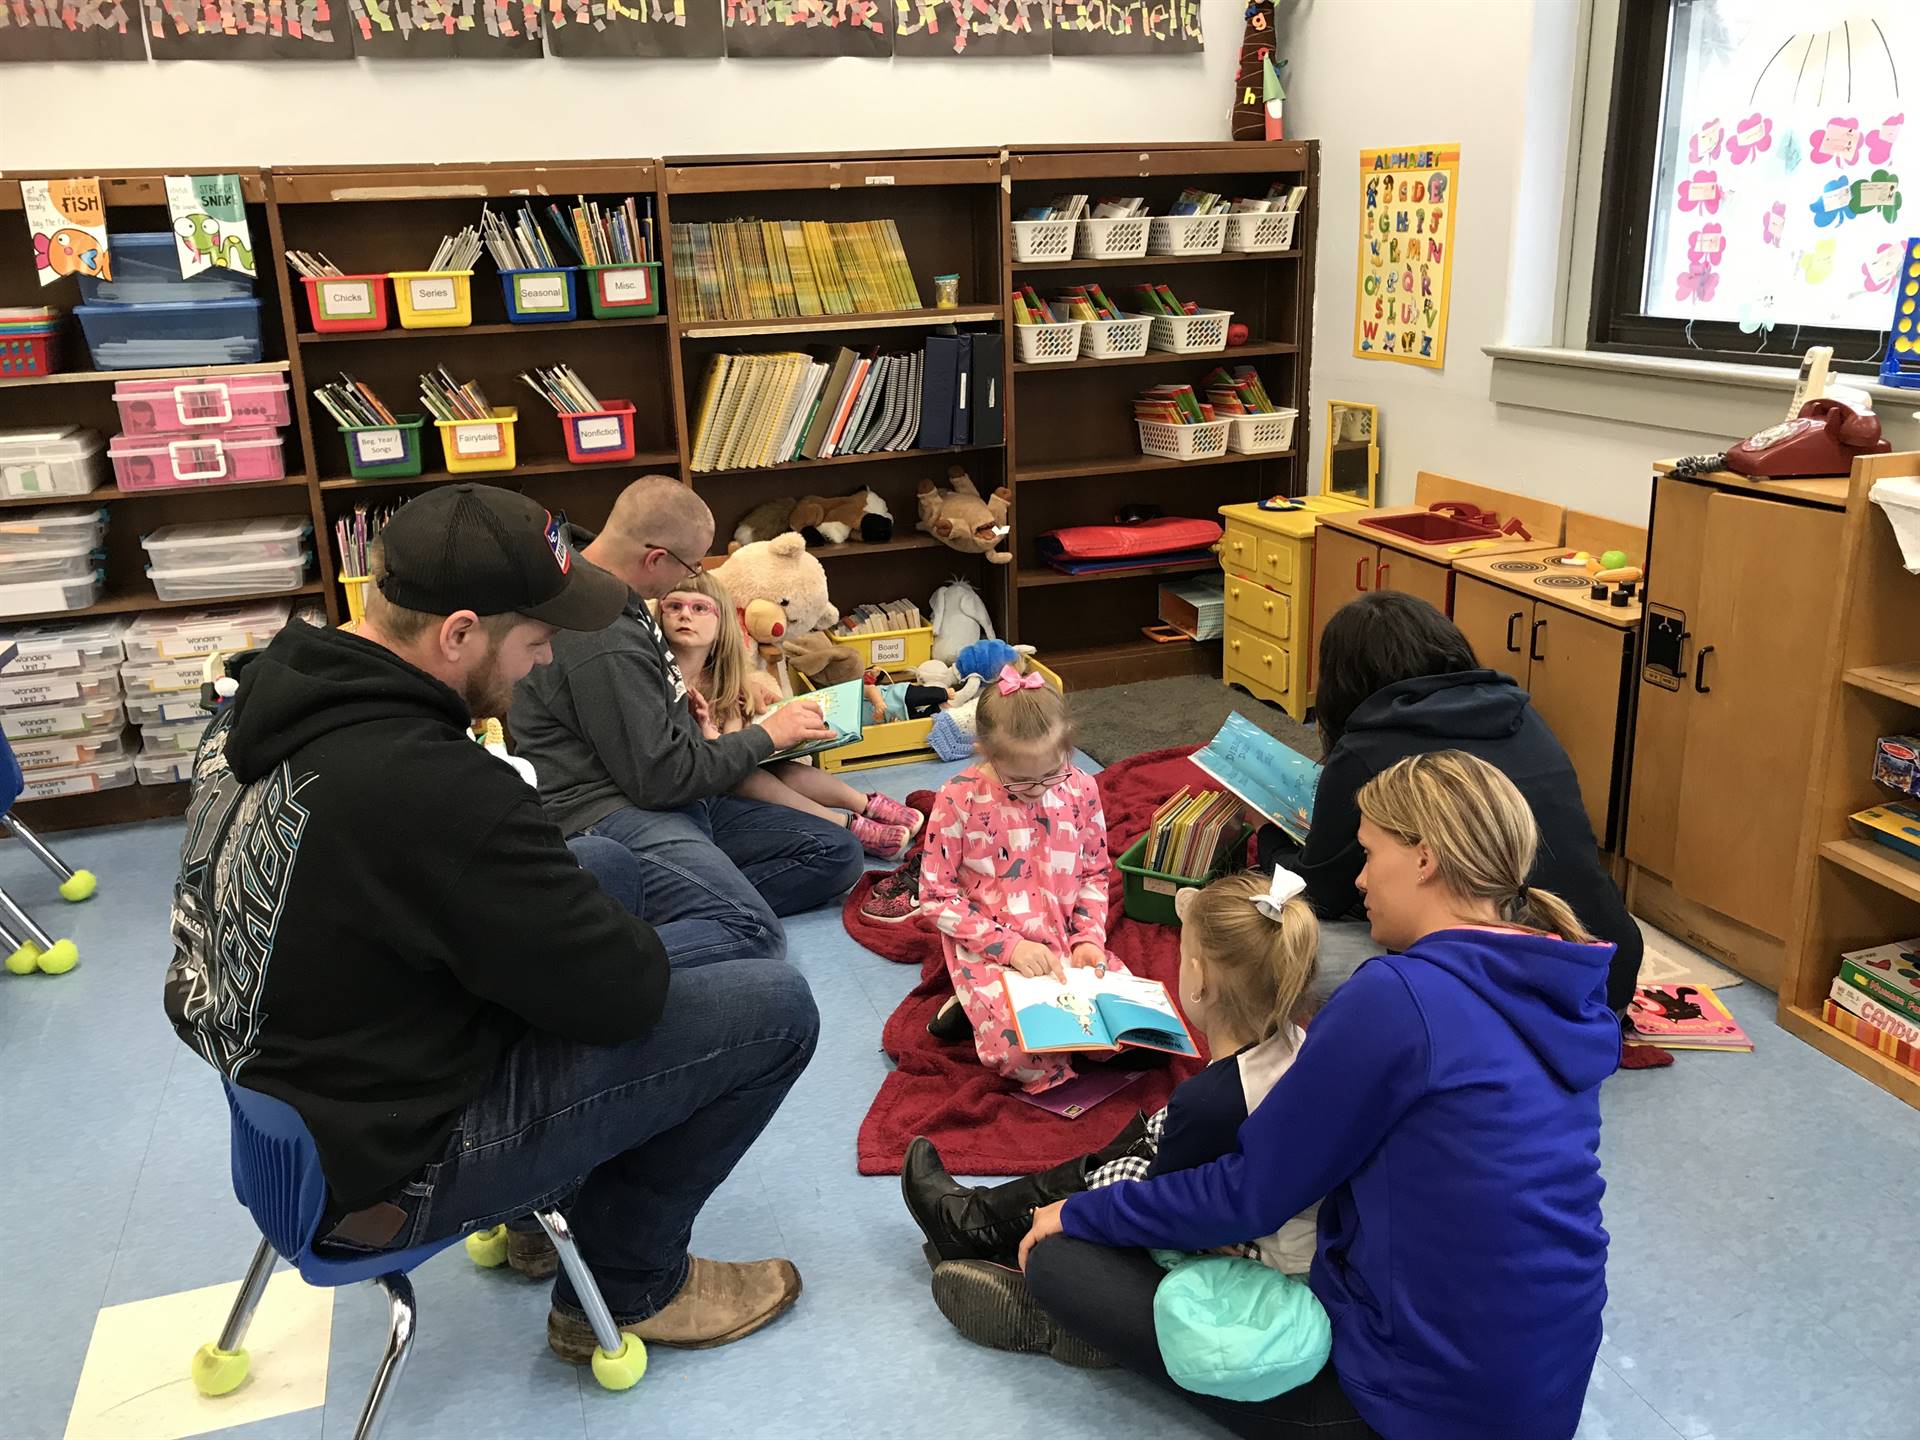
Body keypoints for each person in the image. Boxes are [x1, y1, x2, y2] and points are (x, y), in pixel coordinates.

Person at [164, 484, 818, 1360]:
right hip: (385, 1180)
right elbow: (623, 998)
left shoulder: (253, 702)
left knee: (608, 866)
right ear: (461, 632)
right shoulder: (438, 788)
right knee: (771, 1007)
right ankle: (630, 1288)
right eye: (537, 642)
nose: (542, 667)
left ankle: (534, 1221)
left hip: (297, 1115)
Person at [1016, 750, 1618, 1440]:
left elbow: (1249, 1192)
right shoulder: (1549, 989)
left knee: (1066, 1258)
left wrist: (1082, 1214)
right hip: (1542, 1392)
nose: (1359, 879)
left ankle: (1062, 1306)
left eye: (1368, 853)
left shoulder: (1398, 999)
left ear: (1424, 858)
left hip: (1413, 1410)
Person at [905, 867, 1330, 1386]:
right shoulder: (1299, 1045)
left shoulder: (1214, 1100)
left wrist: (1074, 1213)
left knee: (1078, 1222)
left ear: (1199, 979)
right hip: (1284, 1226)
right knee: (1140, 1141)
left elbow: (1162, 1202)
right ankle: (978, 1224)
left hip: (1256, 1258)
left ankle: (1001, 1248)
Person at [509, 474, 864, 967]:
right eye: (690, 566)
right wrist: (766, 736)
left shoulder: (610, 593)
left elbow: (658, 751)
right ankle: (580, 965)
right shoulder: (601, 633)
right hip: (611, 814)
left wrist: (695, 724)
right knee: (755, 933)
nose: (687, 579)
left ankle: (682, 903)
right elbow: (660, 779)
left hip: (672, 796)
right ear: (656, 558)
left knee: (836, 852)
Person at [1264, 591, 1642, 1012]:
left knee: (1276, 944)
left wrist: (1265, 843)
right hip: (1607, 966)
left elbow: (1317, 893)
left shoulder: (1365, 750)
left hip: (1503, 988)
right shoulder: (1522, 715)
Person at [919, 664, 1124, 1092]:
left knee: (1121, 1036)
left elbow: (1094, 872)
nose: (1039, 789)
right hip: (992, 949)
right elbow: (936, 897)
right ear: (985, 752)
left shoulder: (1082, 787)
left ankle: (971, 1013)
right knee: (1027, 1055)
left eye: (1053, 774)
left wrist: (1089, 939)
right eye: (1021, 781)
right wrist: (1010, 948)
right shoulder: (958, 797)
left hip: (1066, 946)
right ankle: (973, 1006)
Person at [655, 568, 924, 859]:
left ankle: (866, 804)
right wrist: (733, 726)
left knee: (786, 769)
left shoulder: (721, 674)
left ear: (721, 623)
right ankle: (847, 824)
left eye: (699, 608)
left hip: (731, 761)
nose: (685, 615)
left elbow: (745, 709)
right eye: (674, 607)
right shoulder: (661, 680)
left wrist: (762, 708)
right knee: (748, 776)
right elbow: (716, 759)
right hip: (707, 785)